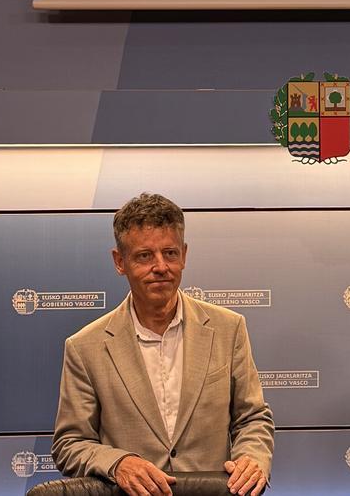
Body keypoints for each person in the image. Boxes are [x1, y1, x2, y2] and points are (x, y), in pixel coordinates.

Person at [52, 193, 273, 496]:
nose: (160, 267)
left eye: (170, 253)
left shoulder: (228, 328)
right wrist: (118, 463)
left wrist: (252, 458)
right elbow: (70, 443)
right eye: (144, 256)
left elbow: (252, 417)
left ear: (184, 255)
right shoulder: (85, 347)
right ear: (120, 262)